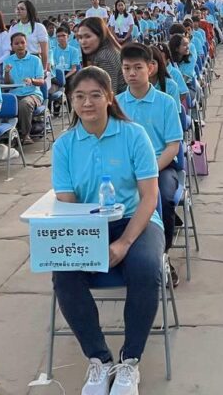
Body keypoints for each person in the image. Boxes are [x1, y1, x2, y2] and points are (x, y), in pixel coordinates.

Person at [51, 67, 162, 395]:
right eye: (79, 96)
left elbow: (149, 197)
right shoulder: (65, 145)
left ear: (110, 97)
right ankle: (99, 359)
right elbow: (68, 203)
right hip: (88, 224)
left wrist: (125, 242)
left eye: (95, 95)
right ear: (71, 101)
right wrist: (87, 242)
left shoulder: (133, 135)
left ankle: (130, 362)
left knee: (146, 268)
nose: (87, 103)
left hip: (135, 220)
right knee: (63, 272)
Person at [117, 44, 183, 286]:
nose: (132, 73)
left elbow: (173, 146)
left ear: (151, 68)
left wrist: (150, 170)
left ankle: (162, 256)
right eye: (127, 68)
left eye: (137, 67)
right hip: (125, 168)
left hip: (161, 165)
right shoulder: (116, 104)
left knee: (162, 198)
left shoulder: (165, 102)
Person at [3, 32, 47, 145]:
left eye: (22, 42)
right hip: (15, 94)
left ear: (26, 44)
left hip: (33, 94)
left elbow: (41, 81)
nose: (20, 45)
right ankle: (7, 135)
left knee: (24, 104)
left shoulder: (35, 60)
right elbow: (8, 83)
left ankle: (25, 135)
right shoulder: (8, 61)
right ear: (12, 46)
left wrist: (32, 80)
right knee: (2, 102)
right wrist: (7, 72)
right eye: (16, 43)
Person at [78, 17, 126, 93]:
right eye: (80, 37)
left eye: (88, 36)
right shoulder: (104, 52)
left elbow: (109, 94)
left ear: (100, 36)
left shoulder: (105, 58)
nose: (83, 42)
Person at [11, 0, 51, 76]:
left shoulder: (39, 27)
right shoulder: (13, 28)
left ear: (29, 11)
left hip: (34, 62)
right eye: (17, 9)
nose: (18, 11)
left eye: (22, 9)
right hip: (17, 62)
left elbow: (44, 51)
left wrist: (44, 69)